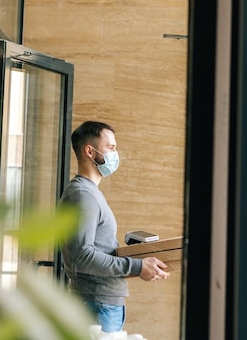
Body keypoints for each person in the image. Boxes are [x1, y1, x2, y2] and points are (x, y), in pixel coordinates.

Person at [58, 121, 169, 333]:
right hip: (97, 305)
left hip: (102, 304)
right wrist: (137, 267)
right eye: (110, 148)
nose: (115, 154)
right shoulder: (83, 196)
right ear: (90, 151)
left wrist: (142, 261)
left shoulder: (90, 193)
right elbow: (80, 256)